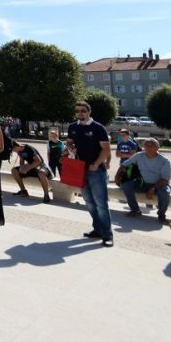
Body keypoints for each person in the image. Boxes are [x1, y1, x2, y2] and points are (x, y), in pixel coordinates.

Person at [68, 100, 113, 247]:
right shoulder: (72, 127)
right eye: (77, 111)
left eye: (83, 110)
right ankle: (98, 230)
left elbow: (106, 149)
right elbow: (69, 142)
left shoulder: (98, 128)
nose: (80, 113)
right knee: (89, 203)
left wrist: (96, 164)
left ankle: (107, 235)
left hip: (95, 171)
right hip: (80, 169)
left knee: (101, 204)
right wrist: (71, 147)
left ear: (89, 112)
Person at [114, 138, 171, 222]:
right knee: (126, 185)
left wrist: (153, 189)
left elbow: (165, 179)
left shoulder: (164, 161)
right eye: (145, 145)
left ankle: (161, 215)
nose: (146, 148)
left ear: (157, 148)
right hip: (142, 183)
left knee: (165, 192)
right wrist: (116, 177)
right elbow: (124, 165)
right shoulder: (139, 155)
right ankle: (135, 210)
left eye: (150, 146)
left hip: (159, 185)